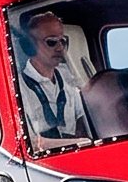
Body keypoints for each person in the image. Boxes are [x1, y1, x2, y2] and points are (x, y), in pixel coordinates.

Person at [16, 11, 92, 143]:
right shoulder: (17, 87)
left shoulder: (69, 76)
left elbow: (83, 121)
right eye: (51, 42)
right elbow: (33, 144)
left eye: (62, 41)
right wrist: (80, 143)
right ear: (29, 46)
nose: (60, 48)